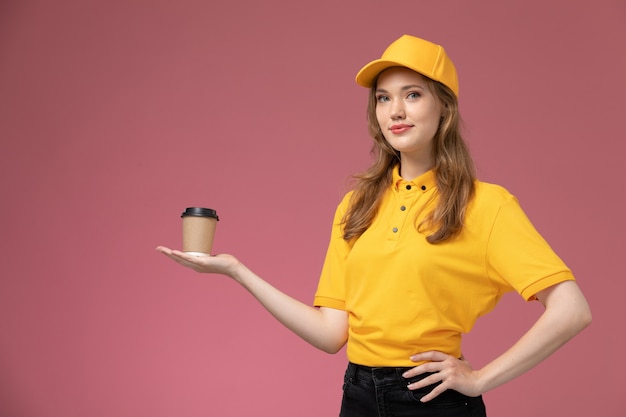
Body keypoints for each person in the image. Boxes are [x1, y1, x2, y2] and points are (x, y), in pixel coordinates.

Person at [157, 34, 592, 417]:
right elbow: (331, 335)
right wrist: (237, 271)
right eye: (383, 98)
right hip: (358, 395)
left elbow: (571, 310)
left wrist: (481, 379)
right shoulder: (357, 205)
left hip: (433, 402)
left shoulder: (486, 205)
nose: (395, 111)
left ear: (445, 107)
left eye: (413, 94)